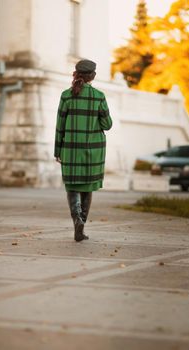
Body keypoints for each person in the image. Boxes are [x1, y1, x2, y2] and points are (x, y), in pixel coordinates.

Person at [54, 59, 113, 242]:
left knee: (73, 187)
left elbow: (60, 126)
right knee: (87, 187)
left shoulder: (66, 95)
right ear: (92, 76)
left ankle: (76, 220)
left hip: (70, 150)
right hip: (93, 150)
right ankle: (82, 221)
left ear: (76, 74)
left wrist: (58, 151)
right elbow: (107, 124)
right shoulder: (99, 96)